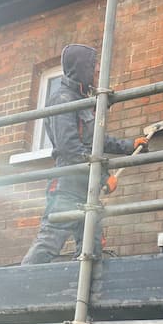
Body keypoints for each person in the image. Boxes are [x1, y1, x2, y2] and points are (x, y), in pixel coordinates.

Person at [21, 44, 147, 264]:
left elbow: (96, 141)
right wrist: (101, 177)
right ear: (81, 67)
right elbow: (69, 148)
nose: (98, 69)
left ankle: (85, 297)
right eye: (94, 65)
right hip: (67, 188)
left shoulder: (82, 101)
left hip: (86, 190)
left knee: (92, 250)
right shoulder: (63, 100)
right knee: (49, 243)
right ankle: (20, 287)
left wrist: (129, 145)